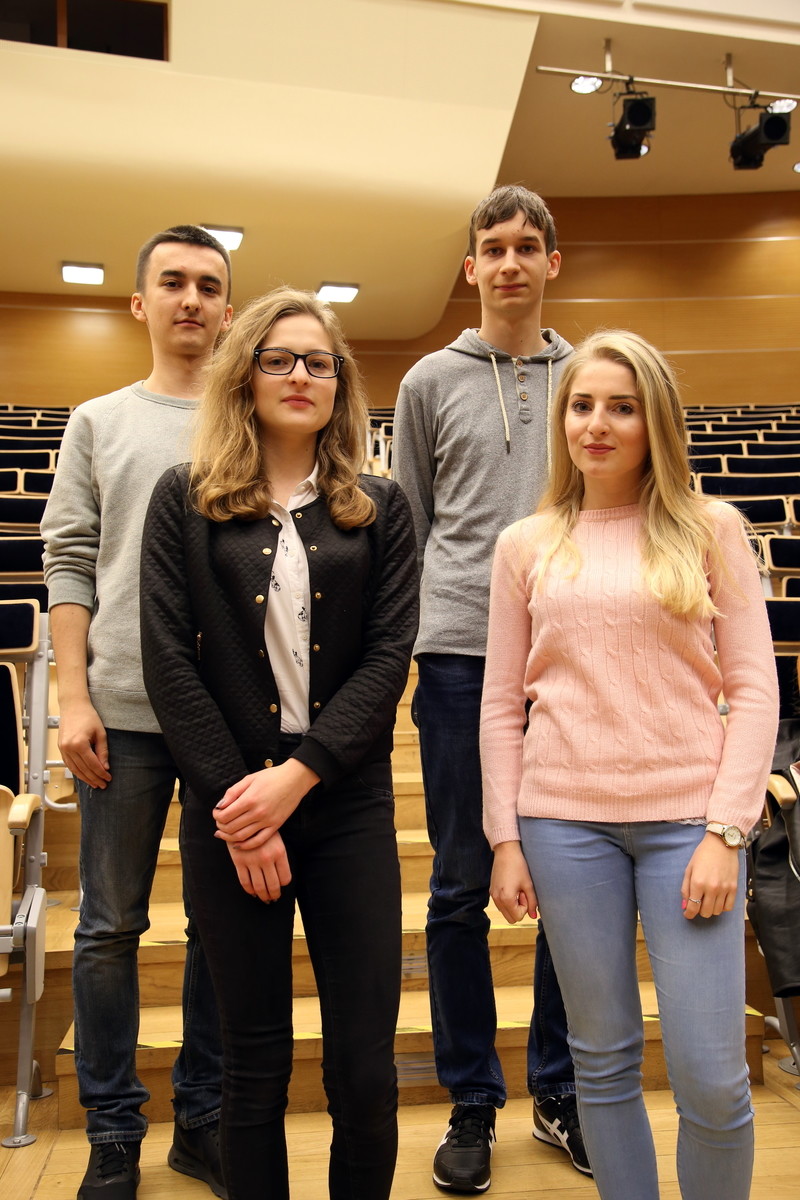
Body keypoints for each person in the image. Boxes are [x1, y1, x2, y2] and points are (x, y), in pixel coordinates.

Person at [481, 329, 779, 1200]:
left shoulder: (712, 528)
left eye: (622, 407)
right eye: (581, 406)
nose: (597, 424)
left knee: (712, 1076)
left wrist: (727, 830)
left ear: (656, 423)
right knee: (602, 1060)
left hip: (690, 824)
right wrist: (506, 840)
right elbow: (500, 705)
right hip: (563, 824)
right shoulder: (525, 543)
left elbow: (754, 690)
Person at [138, 287, 419, 1200]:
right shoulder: (183, 499)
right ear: (245, 375)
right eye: (279, 359)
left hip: (345, 804)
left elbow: (387, 659)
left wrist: (294, 781)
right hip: (229, 807)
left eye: (319, 362)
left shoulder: (380, 506)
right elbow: (168, 662)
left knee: (364, 1071)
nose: (301, 375)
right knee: (251, 1067)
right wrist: (244, 810)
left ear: (341, 384)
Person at [393, 184, 588, 1192]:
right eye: (492, 248)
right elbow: (412, 525)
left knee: (568, 883)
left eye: (526, 246)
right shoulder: (428, 379)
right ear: (470, 267)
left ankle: (558, 1089)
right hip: (461, 656)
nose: (509, 263)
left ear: (552, 260)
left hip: (571, 658)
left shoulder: (587, 376)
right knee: (460, 885)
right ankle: (472, 1098)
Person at [41, 225, 233, 1200]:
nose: (190, 299)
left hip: (227, 721)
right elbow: (71, 559)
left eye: (208, 285)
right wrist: (70, 696)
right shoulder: (98, 420)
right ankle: (113, 1131)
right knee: (109, 927)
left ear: (227, 311)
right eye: (172, 282)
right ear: (139, 302)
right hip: (117, 710)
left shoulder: (248, 423)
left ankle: (202, 1121)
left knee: (216, 928)